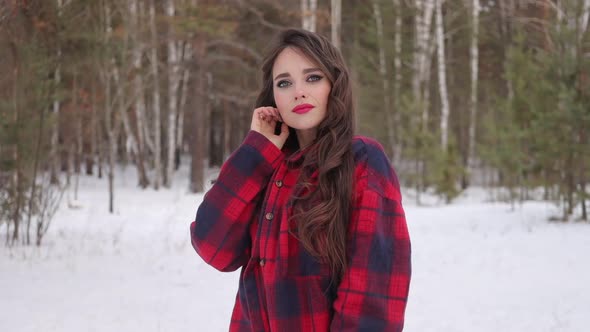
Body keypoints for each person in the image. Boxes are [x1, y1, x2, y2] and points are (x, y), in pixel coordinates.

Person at [190, 28, 411, 332]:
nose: (299, 92)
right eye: (284, 83)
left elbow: (372, 299)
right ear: (274, 97)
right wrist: (256, 150)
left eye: (313, 78)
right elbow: (213, 247)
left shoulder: (363, 161)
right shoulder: (266, 165)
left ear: (335, 84)